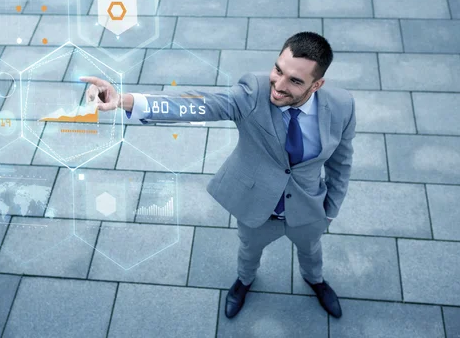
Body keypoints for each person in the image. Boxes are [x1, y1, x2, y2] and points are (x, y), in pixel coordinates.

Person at [80, 32, 356, 319]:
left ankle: (315, 281)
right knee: (248, 252)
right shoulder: (252, 92)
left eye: (295, 81)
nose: (278, 85)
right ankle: (244, 282)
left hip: (309, 208)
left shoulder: (342, 105)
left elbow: (341, 163)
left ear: (317, 84)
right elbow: (198, 104)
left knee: (312, 252)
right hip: (256, 206)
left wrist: (330, 211)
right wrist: (125, 100)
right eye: (278, 70)